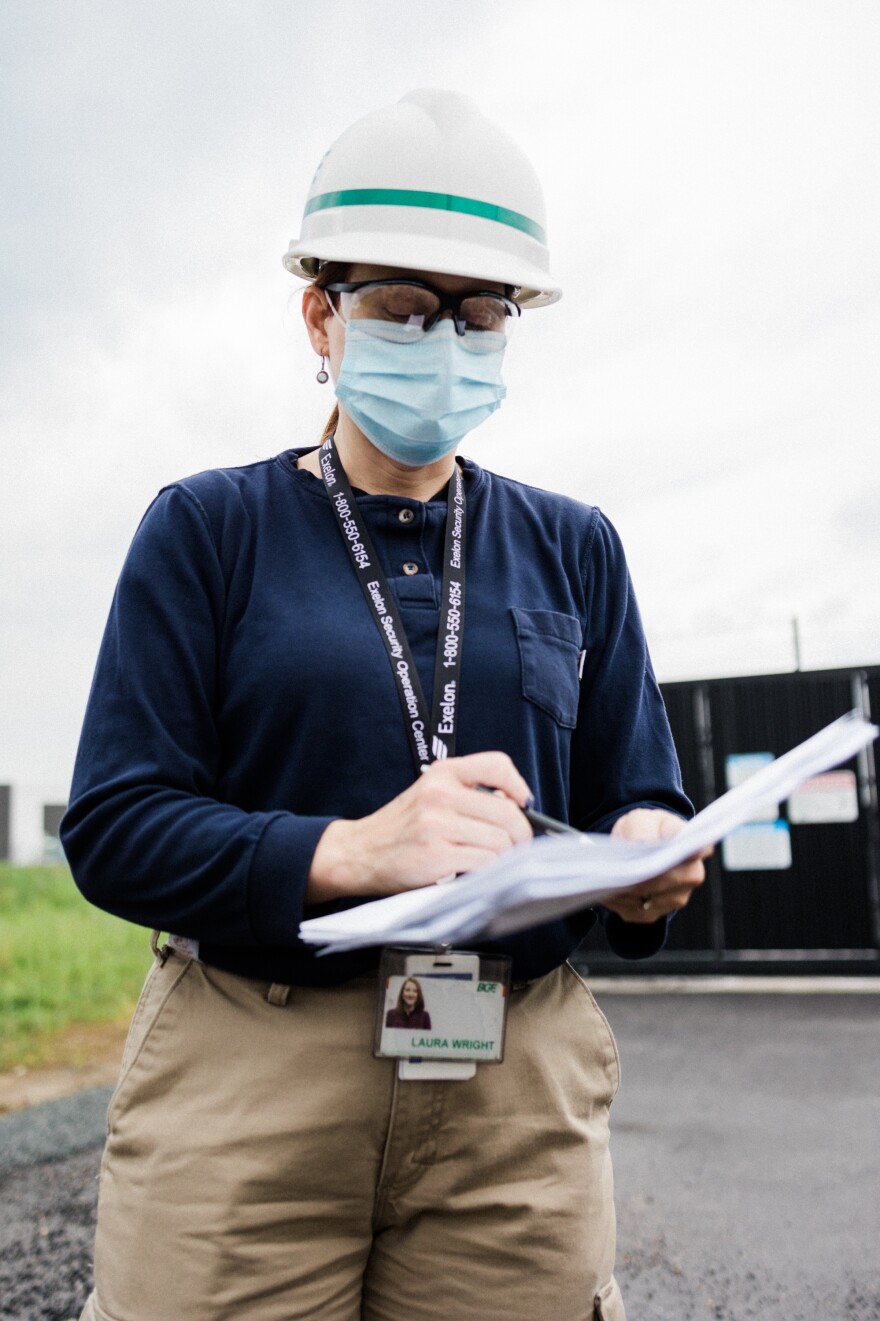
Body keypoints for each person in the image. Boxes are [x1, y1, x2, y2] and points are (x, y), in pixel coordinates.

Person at [62, 89, 708, 1321]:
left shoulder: (576, 546)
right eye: (407, 309)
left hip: (515, 1090)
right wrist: (349, 850)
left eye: (482, 315)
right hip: (253, 1071)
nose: (448, 342)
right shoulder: (207, 531)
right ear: (322, 311)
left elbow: (639, 789)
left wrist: (644, 856)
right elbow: (115, 823)